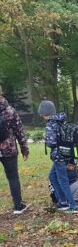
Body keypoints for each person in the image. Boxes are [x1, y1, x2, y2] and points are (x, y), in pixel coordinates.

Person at [41, 100, 78, 214]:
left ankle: (72, 206)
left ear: (45, 113)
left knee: (62, 180)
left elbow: (51, 142)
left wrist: (46, 140)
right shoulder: (62, 120)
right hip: (66, 153)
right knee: (52, 177)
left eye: (42, 114)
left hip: (58, 156)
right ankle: (63, 202)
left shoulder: (50, 124)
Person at [0, 85, 30, 215]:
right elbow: (19, 131)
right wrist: (24, 149)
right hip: (9, 150)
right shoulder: (10, 111)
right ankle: (18, 206)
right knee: (13, 177)